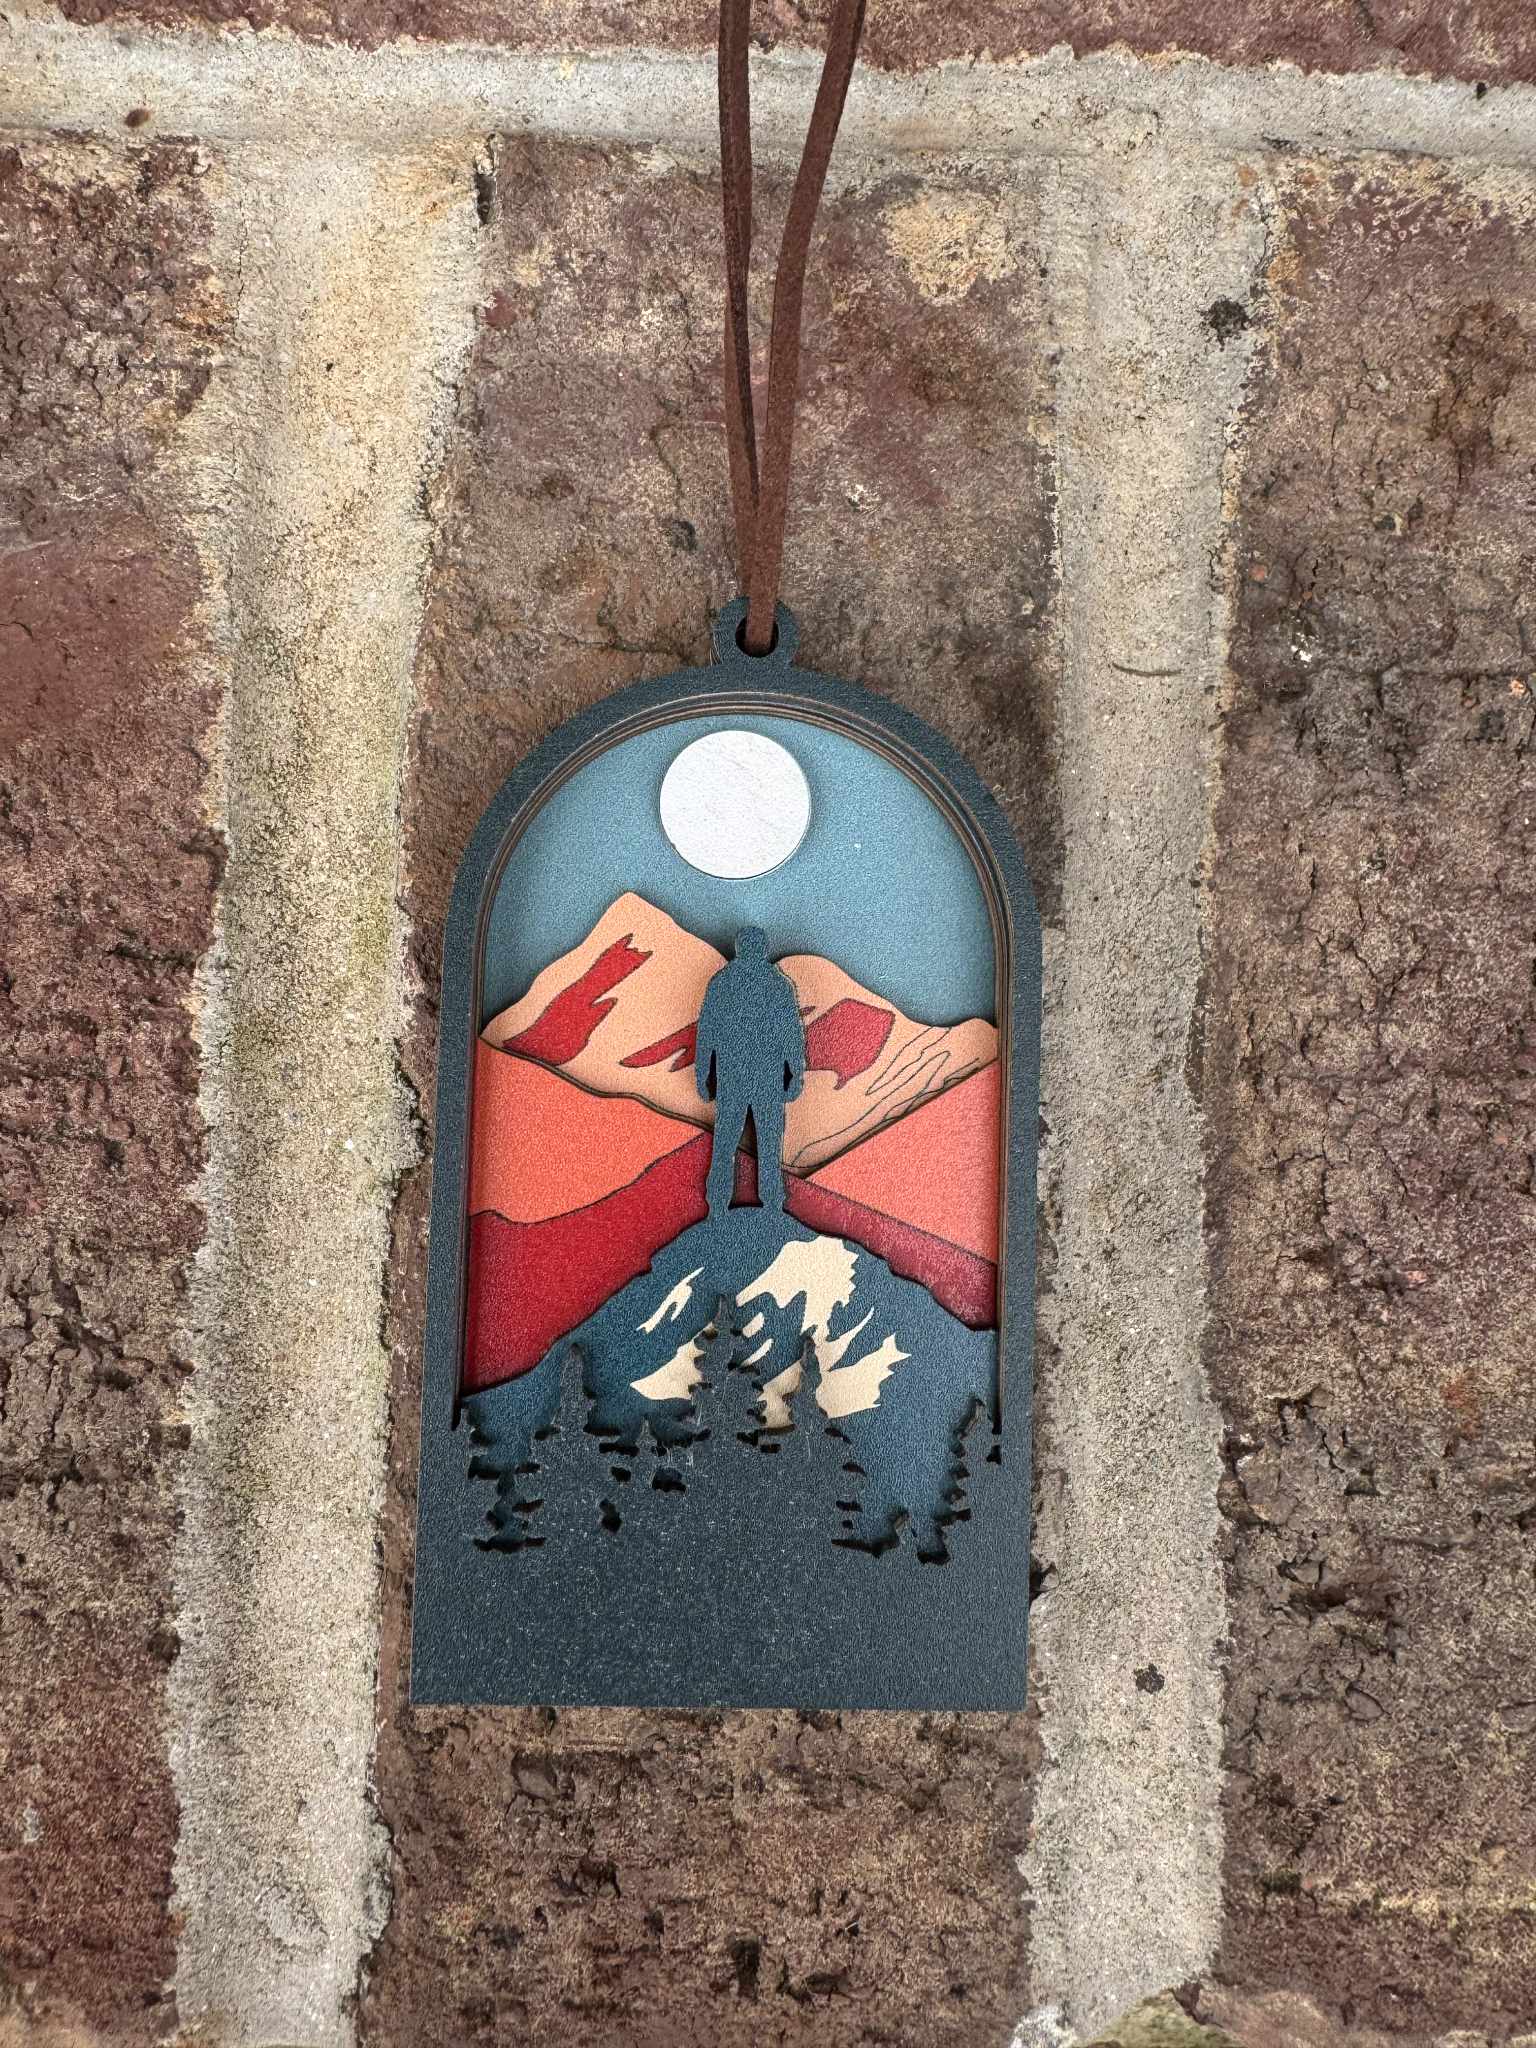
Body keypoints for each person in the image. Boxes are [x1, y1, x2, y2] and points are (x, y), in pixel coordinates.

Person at [696, 928, 806, 1216]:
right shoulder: (777, 985)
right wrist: (795, 1074)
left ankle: (718, 1205)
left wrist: (703, 1076)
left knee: (725, 1144)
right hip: (766, 1079)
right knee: (769, 1144)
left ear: (739, 947)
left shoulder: (722, 983)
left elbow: (707, 1034)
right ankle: (772, 1204)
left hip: (732, 1078)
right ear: (763, 949)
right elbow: (791, 1035)